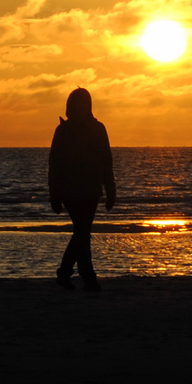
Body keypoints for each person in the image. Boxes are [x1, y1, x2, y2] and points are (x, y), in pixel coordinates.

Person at [48, 87, 116, 290]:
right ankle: (83, 276)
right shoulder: (62, 131)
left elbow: (107, 161)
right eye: (77, 103)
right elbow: (54, 164)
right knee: (82, 232)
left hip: (91, 189)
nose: (80, 107)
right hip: (69, 190)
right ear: (70, 106)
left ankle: (75, 275)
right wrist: (55, 194)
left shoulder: (98, 128)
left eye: (84, 103)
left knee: (82, 232)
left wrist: (110, 188)